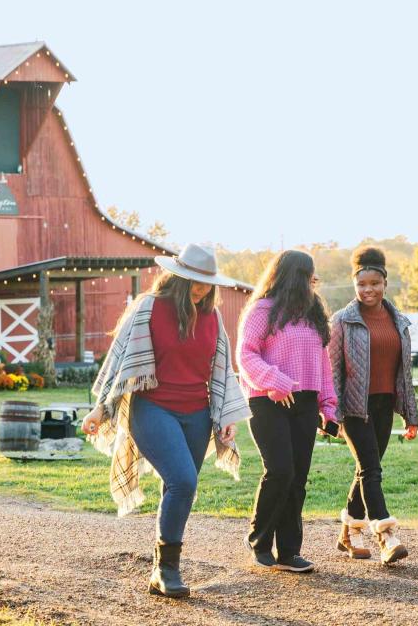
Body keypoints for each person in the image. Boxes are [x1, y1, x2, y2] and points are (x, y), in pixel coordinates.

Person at [81, 243, 251, 598]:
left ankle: (163, 568)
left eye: (207, 282)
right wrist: (102, 408)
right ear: (177, 276)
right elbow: (120, 360)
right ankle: (166, 568)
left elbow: (220, 370)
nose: (201, 287)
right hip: (153, 409)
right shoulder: (148, 308)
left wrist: (223, 416)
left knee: (177, 486)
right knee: (184, 481)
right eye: (193, 280)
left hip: (197, 413)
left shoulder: (213, 318)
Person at [236, 250, 336, 573]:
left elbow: (323, 363)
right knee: (280, 470)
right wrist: (274, 381)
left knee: (298, 478)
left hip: (305, 401)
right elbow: (246, 355)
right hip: (267, 399)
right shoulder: (261, 310)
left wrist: (328, 406)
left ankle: (289, 551)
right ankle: (260, 541)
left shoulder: (313, 314)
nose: (311, 283)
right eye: (306, 277)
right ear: (291, 276)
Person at [327, 246, 418, 564]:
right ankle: (386, 534)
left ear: (384, 283)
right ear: (355, 286)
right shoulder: (342, 321)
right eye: (361, 285)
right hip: (354, 407)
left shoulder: (399, 321)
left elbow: (404, 373)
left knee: (367, 470)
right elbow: (333, 370)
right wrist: (330, 413)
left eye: (374, 284)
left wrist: (411, 414)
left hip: (384, 406)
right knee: (371, 469)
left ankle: (348, 533)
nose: (368, 290)